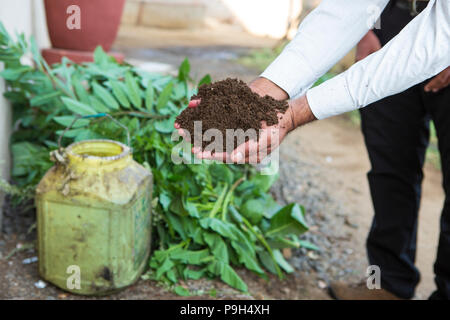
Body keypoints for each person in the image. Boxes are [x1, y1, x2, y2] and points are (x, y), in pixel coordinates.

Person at [175, 0, 450, 299]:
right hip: (400, 15)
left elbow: (437, 35)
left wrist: (297, 112)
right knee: (390, 167)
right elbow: (351, 7)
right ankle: (389, 284)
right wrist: (272, 87)